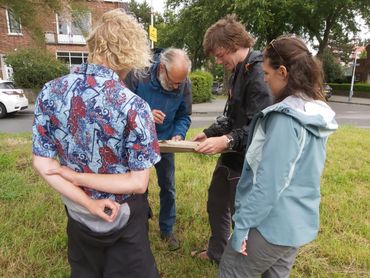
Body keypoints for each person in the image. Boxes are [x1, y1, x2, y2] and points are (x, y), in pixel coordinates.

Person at [32, 9, 161, 277]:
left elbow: (42, 163)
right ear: (129, 53)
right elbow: (138, 183)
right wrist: (78, 179)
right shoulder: (134, 106)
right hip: (124, 216)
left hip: (78, 212)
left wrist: (83, 196)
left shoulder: (50, 92)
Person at [218, 35, 338, 277]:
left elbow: (269, 183)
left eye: (266, 74)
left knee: (231, 271)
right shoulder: (314, 111)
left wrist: (242, 227)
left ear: (283, 72)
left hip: (270, 225)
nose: (264, 80)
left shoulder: (285, 119)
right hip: (295, 225)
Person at [192, 15, 272, 263]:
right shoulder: (239, 69)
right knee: (216, 203)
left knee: (242, 215)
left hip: (248, 160)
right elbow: (232, 115)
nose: (217, 61)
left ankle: (242, 262)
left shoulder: (259, 73)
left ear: (234, 44)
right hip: (230, 155)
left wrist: (225, 141)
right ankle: (217, 252)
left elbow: (260, 128)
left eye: (219, 54)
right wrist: (210, 133)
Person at [124, 48, 192, 251]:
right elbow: (121, 108)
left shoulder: (183, 83)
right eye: (173, 82)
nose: (175, 87)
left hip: (165, 143)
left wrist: (178, 134)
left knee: (168, 187)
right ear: (162, 68)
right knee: (137, 188)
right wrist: (145, 114)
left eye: (179, 84)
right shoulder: (137, 75)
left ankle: (167, 229)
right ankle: (138, 227)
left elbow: (184, 115)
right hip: (137, 143)